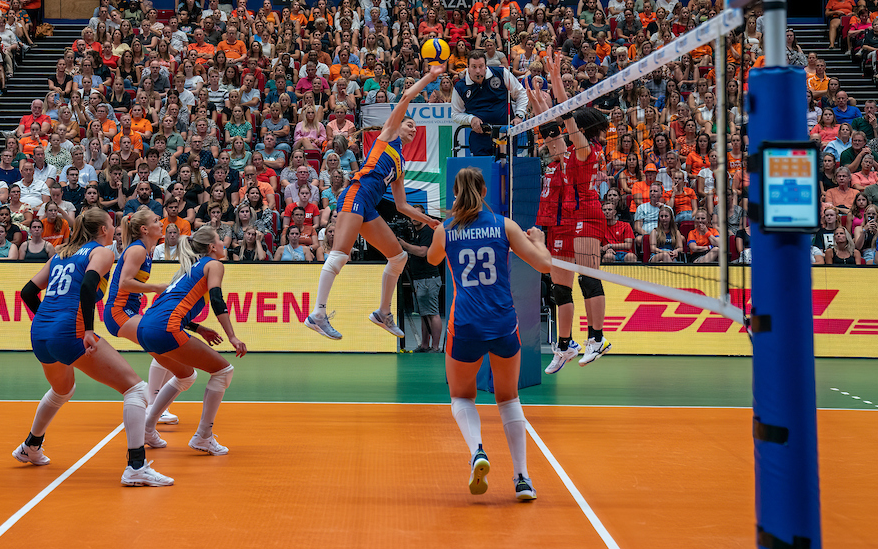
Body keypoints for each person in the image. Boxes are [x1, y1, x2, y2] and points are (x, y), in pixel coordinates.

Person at [14, 209, 173, 487]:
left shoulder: (59, 255)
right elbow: (88, 285)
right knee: (135, 388)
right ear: (102, 230)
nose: (114, 229)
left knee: (63, 389)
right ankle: (136, 466)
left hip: (40, 333)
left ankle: (31, 446)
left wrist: (46, 318)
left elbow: (27, 292)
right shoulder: (101, 253)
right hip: (69, 331)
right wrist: (88, 329)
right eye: (112, 225)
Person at [425, 166, 550, 500]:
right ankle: (522, 479)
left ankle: (478, 451)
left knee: (462, 397)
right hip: (502, 324)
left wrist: (440, 230)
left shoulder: (445, 229)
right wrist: (538, 240)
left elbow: (432, 258)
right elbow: (545, 265)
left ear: (455, 193)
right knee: (508, 399)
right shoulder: (504, 226)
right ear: (483, 191)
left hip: (465, 325)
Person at [305, 64, 444, 340]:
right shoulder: (387, 136)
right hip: (356, 193)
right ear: (397, 124)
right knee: (340, 255)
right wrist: (429, 78)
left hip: (368, 205)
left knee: (399, 257)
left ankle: (383, 313)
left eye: (415, 126)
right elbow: (405, 99)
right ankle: (317, 314)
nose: (412, 127)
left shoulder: (400, 163)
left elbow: (403, 206)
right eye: (409, 123)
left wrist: (430, 220)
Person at [528, 48, 611, 373]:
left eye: (570, 129)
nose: (563, 134)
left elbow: (565, 117)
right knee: (559, 286)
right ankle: (565, 345)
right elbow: (550, 131)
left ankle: (597, 337)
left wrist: (555, 78)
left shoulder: (584, 151)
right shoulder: (564, 151)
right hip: (562, 221)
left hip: (586, 216)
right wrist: (537, 101)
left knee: (589, 279)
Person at [138, 226, 247, 455]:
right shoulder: (214, 264)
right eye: (220, 239)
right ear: (211, 247)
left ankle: (148, 427)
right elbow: (217, 300)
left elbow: (168, 306)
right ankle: (203, 437)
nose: (224, 243)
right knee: (223, 371)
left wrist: (198, 328)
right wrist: (232, 336)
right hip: (164, 327)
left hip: (146, 327)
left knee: (186, 376)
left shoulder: (187, 271)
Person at [104, 209, 182, 425]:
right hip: (118, 312)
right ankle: (155, 406)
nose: (161, 223)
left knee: (168, 348)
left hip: (127, 311)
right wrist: (156, 287)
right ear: (144, 229)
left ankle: (157, 405)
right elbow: (125, 283)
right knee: (163, 344)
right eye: (157, 221)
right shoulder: (138, 250)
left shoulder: (146, 250)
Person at [451, 50, 528, 157]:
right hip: (480, 137)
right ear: (468, 67)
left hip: (505, 133)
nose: (478, 71)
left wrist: (519, 115)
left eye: (481, 66)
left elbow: (521, 94)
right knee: (481, 172)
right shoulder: (460, 87)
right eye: (474, 67)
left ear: (486, 66)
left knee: (506, 170)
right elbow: (455, 114)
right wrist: (470, 119)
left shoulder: (501, 73)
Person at [398, 205, 442, 352]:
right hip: (419, 278)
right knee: (424, 313)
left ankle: (435, 346)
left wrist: (404, 245)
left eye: (418, 215)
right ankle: (424, 344)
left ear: (424, 216)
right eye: (412, 215)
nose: (414, 218)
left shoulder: (428, 231)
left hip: (428, 277)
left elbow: (424, 252)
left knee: (432, 313)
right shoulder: (415, 232)